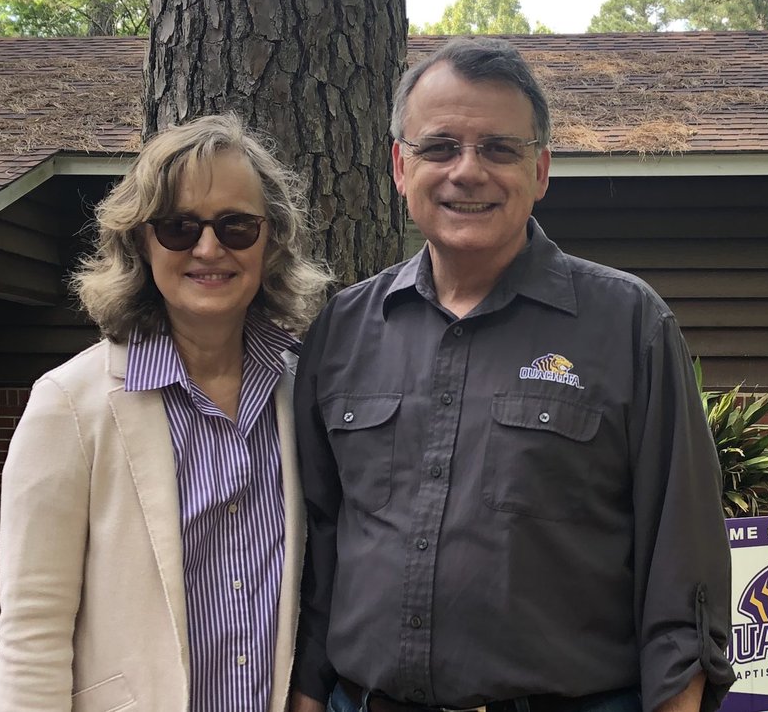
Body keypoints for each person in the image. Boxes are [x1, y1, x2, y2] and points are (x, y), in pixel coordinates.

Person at [290, 38, 735, 712]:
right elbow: (319, 548)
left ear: (542, 170)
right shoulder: (343, 332)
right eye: (439, 147)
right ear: (400, 167)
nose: (468, 172)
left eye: (500, 149)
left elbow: (685, 561)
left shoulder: (628, 327)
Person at [0, 113, 330, 711]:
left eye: (236, 226)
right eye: (178, 227)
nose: (208, 248)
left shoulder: (305, 390)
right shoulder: (70, 407)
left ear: (271, 240)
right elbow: (31, 636)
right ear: (141, 242)